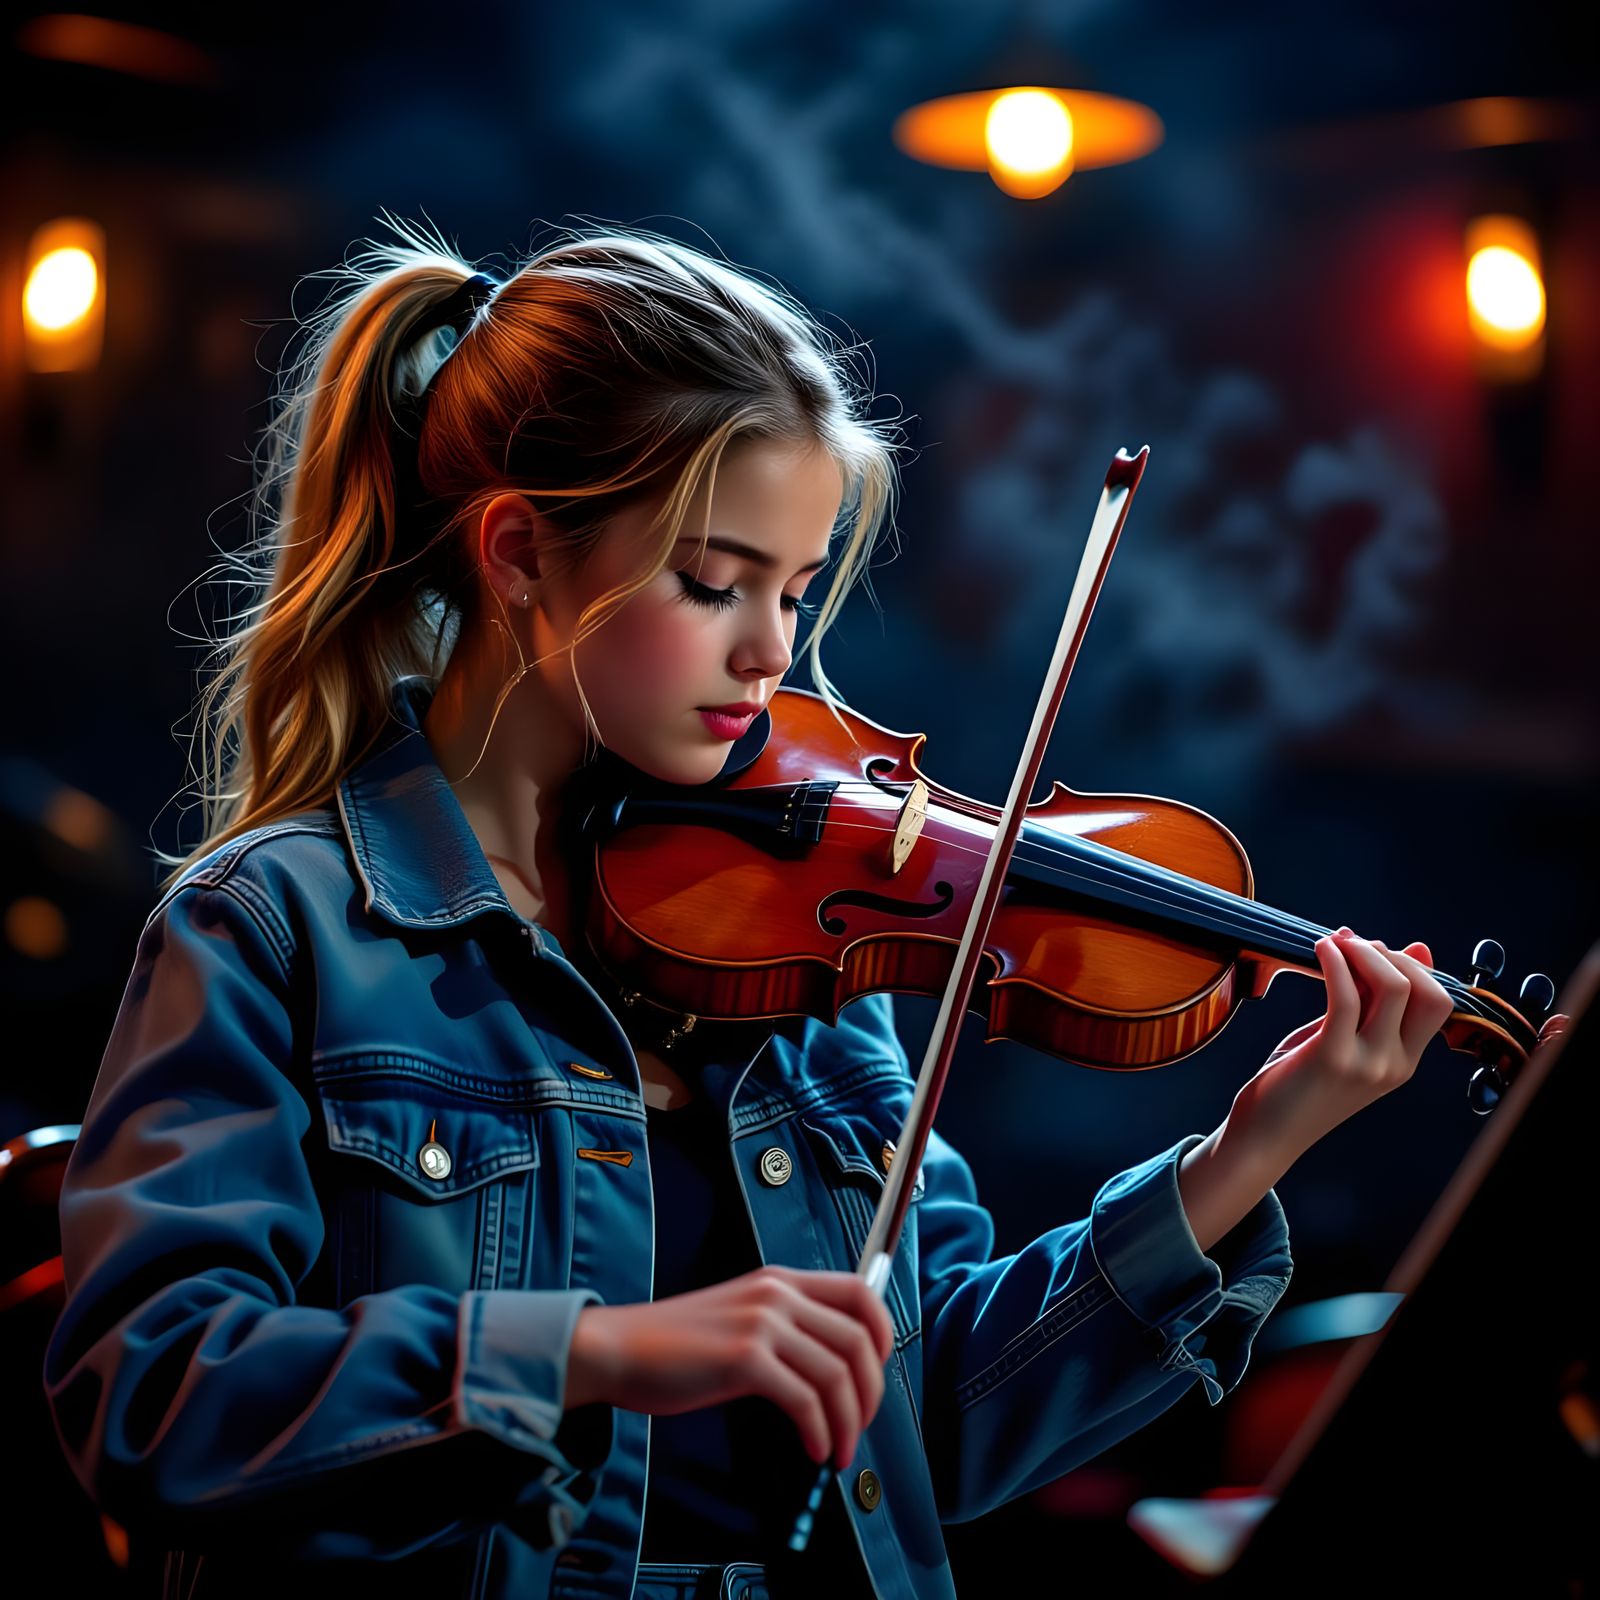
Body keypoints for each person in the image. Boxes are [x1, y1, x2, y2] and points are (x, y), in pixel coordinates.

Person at [43, 218, 1456, 1600]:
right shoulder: (279, 925)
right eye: (713, 583)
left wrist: (1247, 1153)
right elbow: (156, 1397)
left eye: (793, 588)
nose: (772, 651)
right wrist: (602, 1352)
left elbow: (927, 1425)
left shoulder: (799, 939)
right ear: (522, 553)